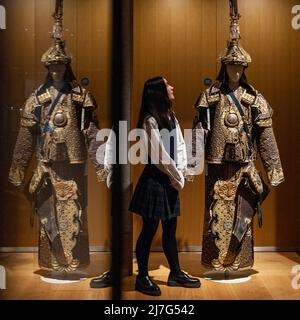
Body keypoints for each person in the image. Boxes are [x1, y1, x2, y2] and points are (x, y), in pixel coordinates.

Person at [9, 1, 109, 272]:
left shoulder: (80, 98)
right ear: (47, 68)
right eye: (52, 66)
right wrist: (18, 171)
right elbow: (25, 138)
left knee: (74, 212)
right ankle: (54, 261)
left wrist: (102, 166)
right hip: (47, 165)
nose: (56, 70)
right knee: (48, 214)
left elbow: (91, 133)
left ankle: (74, 261)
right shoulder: (37, 100)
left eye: (60, 66)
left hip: (74, 166)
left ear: (67, 67)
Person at [193, 0, 284, 272]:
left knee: (240, 215)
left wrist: (274, 170)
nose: (235, 70)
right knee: (217, 214)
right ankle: (216, 260)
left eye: (239, 67)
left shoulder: (255, 100)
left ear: (245, 69)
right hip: (217, 167)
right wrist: (192, 164)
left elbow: (266, 138)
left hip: (244, 167)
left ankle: (239, 261)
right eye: (231, 66)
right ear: (224, 66)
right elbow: (200, 133)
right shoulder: (210, 98)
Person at [129, 76, 200, 296]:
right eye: (167, 84)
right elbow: (159, 156)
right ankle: (141, 277)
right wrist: (176, 176)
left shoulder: (171, 115)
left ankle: (175, 273)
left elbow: (178, 146)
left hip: (169, 179)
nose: (171, 86)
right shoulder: (149, 120)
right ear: (158, 91)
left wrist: (183, 171)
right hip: (155, 180)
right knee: (149, 231)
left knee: (170, 229)